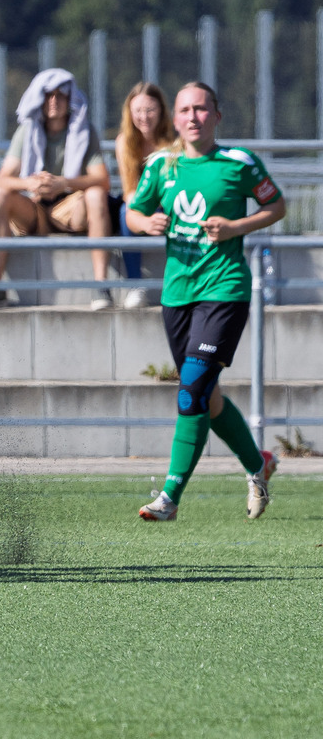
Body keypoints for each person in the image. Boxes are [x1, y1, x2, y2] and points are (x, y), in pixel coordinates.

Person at [128, 82, 284, 522]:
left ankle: (170, 496)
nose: (193, 117)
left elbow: (277, 206)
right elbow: (132, 212)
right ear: (174, 120)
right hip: (177, 295)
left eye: (201, 108)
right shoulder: (161, 165)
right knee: (206, 396)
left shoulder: (239, 163)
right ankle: (259, 465)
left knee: (192, 388)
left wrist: (238, 227)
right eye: (184, 110)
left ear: (217, 115)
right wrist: (146, 223)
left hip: (225, 289)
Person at [0, 68, 114, 310]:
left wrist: (64, 182)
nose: (54, 101)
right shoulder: (27, 131)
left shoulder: (84, 130)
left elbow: (102, 179)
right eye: (48, 95)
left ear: (71, 99)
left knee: (96, 195)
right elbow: (3, 180)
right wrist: (29, 183)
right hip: (35, 208)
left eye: (61, 95)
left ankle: (101, 286)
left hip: (70, 209)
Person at [113, 82, 175, 309]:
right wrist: (145, 220)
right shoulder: (124, 142)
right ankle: (134, 285)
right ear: (129, 113)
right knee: (125, 211)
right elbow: (130, 191)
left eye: (150, 110)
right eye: (138, 111)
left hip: (169, 203)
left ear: (161, 111)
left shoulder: (174, 142)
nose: (144, 117)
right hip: (141, 206)